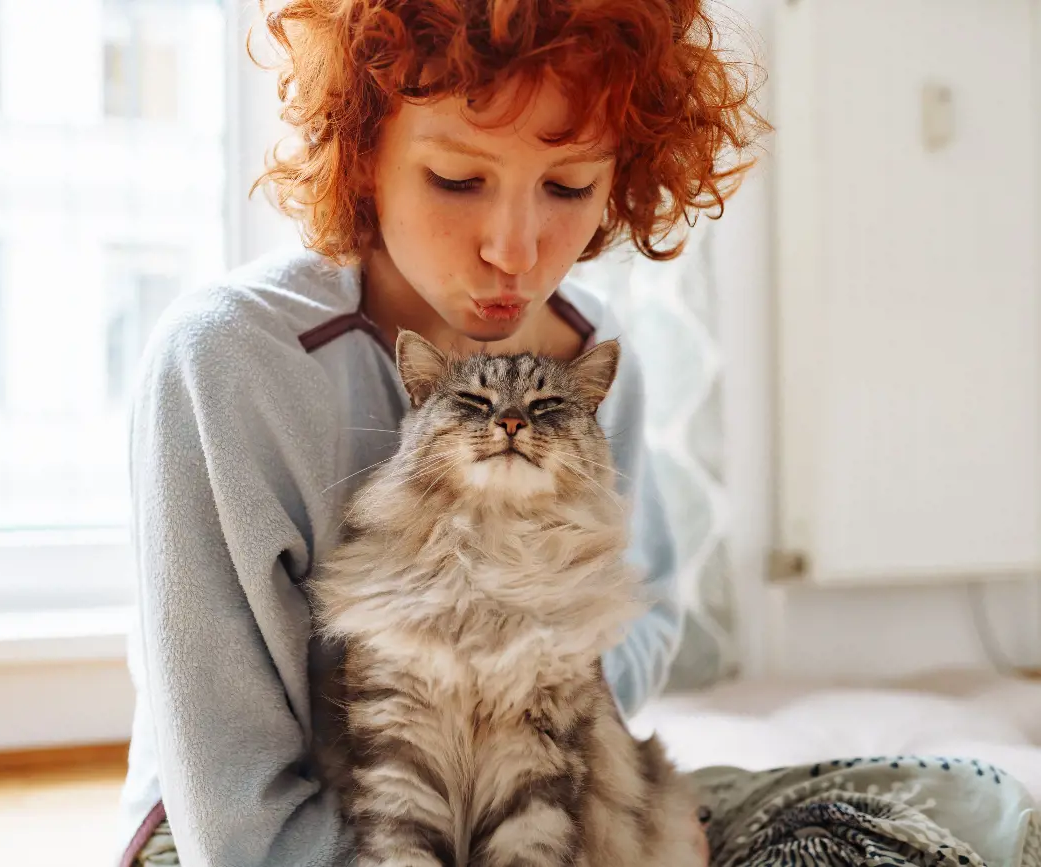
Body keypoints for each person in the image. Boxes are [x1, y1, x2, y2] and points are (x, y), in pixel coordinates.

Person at [118, 1, 1040, 865]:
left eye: (567, 185)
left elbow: (634, 642)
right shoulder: (228, 361)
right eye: (456, 179)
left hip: (551, 799)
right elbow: (230, 802)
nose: (514, 250)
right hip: (281, 837)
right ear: (362, 153)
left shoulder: (585, 354)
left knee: (969, 812)